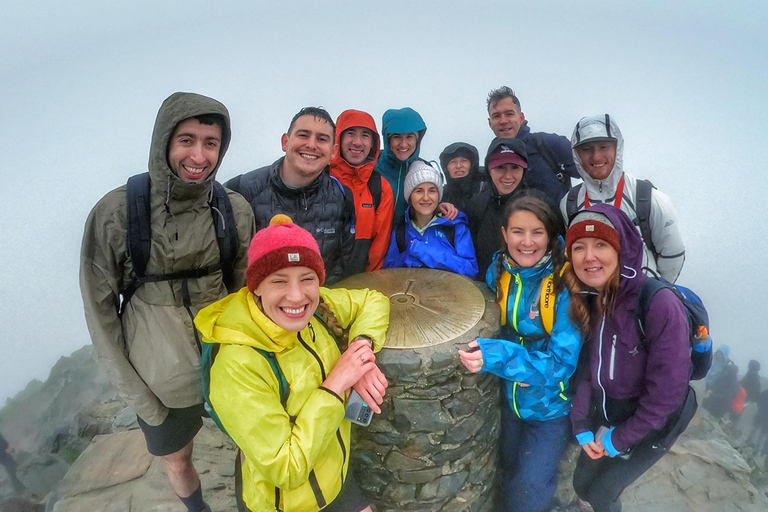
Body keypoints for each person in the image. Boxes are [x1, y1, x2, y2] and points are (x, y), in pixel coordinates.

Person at [80, 92, 256, 512]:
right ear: (164, 143)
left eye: (210, 143)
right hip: (159, 378)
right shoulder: (116, 214)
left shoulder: (233, 210)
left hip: (229, 363)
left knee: (252, 446)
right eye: (187, 140)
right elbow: (100, 314)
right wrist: (143, 402)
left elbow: (248, 294)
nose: (199, 155)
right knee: (177, 459)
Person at [195, 220, 390, 512]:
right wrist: (337, 384)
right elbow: (286, 467)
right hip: (287, 503)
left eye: (307, 278)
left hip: (332, 473)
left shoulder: (317, 310)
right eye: (279, 280)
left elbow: (373, 300)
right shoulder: (236, 364)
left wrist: (359, 354)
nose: (297, 296)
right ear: (256, 286)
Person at [564, 204, 697, 512]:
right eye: (579, 247)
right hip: (610, 412)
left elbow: (665, 395)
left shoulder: (659, 304)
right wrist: (582, 423)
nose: (589, 256)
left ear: (622, 248)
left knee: (602, 493)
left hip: (654, 423)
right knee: (582, 483)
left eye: (601, 244)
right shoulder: (597, 297)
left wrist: (619, 440)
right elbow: (587, 370)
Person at [458, 193, 581, 512]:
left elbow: (561, 364)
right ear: (504, 235)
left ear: (552, 236)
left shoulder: (565, 285)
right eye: (518, 231)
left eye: (537, 232)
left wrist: (495, 356)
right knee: (506, 474)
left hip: (549, 411)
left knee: (528, 488)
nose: (527, 242)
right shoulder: (499, 269)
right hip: (508, 403)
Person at [226, 107, 365, 284]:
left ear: (333, 152)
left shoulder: (341, 197)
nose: (312, 145)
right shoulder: (242, 190)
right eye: (303, 135)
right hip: (254, 305)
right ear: (285, 141)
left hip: (313, 304)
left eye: (322, 139)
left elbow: (341, 263)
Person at [561, 114, 686, 283]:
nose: (596, 157)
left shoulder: (648, 198)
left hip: (641, 303)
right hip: (592, 304)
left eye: (604, 147)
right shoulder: (570, 203)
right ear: (576, 155)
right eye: (586, 149)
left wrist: (654, 295)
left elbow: (673, 254)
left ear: (617, 148)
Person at [383, 160, 478, 279]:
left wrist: (424, 251)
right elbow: (388, 274)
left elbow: (470, 270)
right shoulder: (400, 232)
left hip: (450, 295)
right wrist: (407, 256)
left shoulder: (455, 228)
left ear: (439, 195)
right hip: (411, 296)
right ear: (409, 196)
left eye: (432, 191)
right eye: (419, 191)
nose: (426, 197)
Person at [486, 86, 578, 206]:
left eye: (509, 114)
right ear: (490, 123)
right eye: (496, 116)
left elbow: (596, 175)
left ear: (521, 118)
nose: (503, 121)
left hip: (557, 223)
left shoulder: (550, 145)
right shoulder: (492, 157)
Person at [330, 109, 394, 271]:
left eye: (365, 135)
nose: (357, 142)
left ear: (373, 143)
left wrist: (368, 282)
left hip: (360, 285)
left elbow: (379, 244)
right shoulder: (321, 177)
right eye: (350, 133)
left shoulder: (380, 186)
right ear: (338, 137)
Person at [465, 137, 531, 276]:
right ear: (489, 169)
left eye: (515, 167)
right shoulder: (476, 205)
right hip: (482, 290)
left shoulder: (539, 207)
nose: (508, 176)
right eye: (500, 167)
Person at [374, 107, 428, 225]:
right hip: (373, 241)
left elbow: (432, 203)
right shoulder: (371, 167)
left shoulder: (425, 172)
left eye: (409, 137)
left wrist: (442, 206)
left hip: (409, 241)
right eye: (397, 137)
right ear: (387, 139)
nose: (403, 144)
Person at [439, 142, 487, 213]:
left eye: (464, 161)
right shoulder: (442, 196)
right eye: (453, 162)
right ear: (446, 168)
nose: (458, 166)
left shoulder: (487, 189)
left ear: (472, 164)